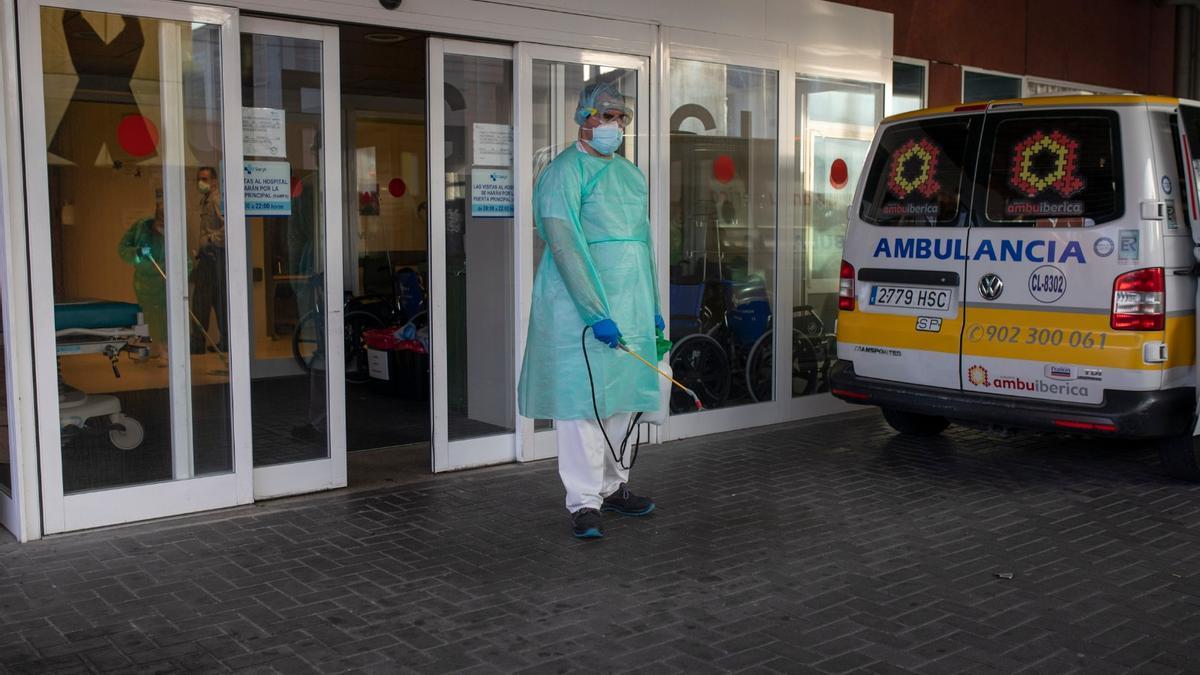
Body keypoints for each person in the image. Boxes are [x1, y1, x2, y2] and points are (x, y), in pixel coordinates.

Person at [518, 82, 664, 539]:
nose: (615, 126)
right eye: (607, 117)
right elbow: (565, 246)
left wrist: (653, 307)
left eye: (621, 119)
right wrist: (594, 310)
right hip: (580, 311)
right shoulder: (564, 172)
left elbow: (643, 246)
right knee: (581, 406)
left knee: (621, 400)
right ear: (583, 117)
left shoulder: (631, 175)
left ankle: (614, 486)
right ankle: (583, 502)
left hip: (631, 304)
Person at [118, 191, 169, 362]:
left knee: (165, 318)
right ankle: (148, 350)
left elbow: (186, 260)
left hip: (165, 283)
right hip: (145, 284)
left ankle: (165, 350)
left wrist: (177, 274)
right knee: (146, 317)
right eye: (161, 224)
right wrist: (137, 253)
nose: (162, 229)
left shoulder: (173, 232)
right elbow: (123, 250)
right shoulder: (140, 228)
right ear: (156, 220)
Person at [190, 166, 227, 354]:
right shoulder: (205, 201)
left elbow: (228, 226)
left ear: (214, 181)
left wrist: (210, 240)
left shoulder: (216, 199)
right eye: (198, 179)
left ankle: (197, 344)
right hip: (208, 256)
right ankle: (226, 342)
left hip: (215, 256)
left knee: (201, 302)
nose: (200, 182)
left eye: (204, 178)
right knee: (217, 301)